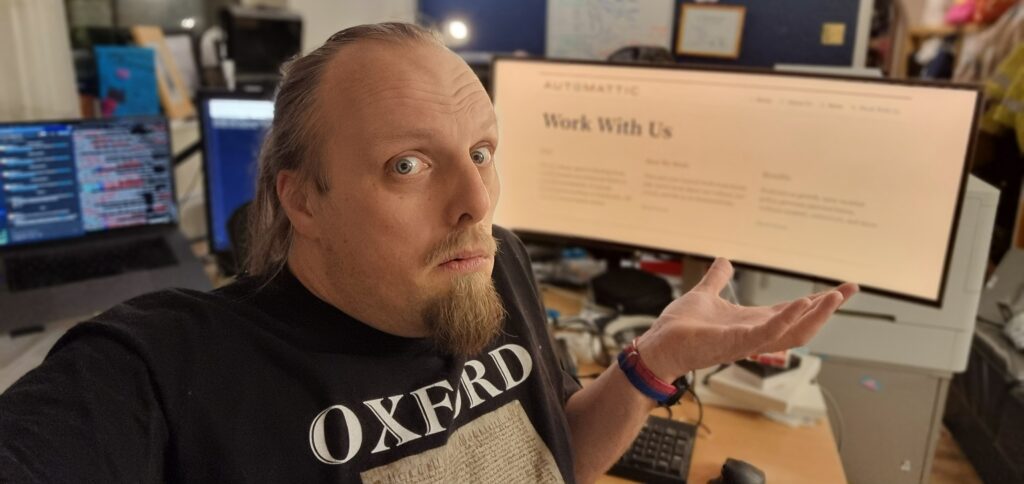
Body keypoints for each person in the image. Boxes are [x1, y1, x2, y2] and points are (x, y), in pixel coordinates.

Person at [0, 23, 857, 483]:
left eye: (481, 153)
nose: (478, 205)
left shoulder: (494, 264)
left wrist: (655, 359)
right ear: (302, 198)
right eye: (407, 165)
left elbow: (551, 458)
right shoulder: (166, 364)